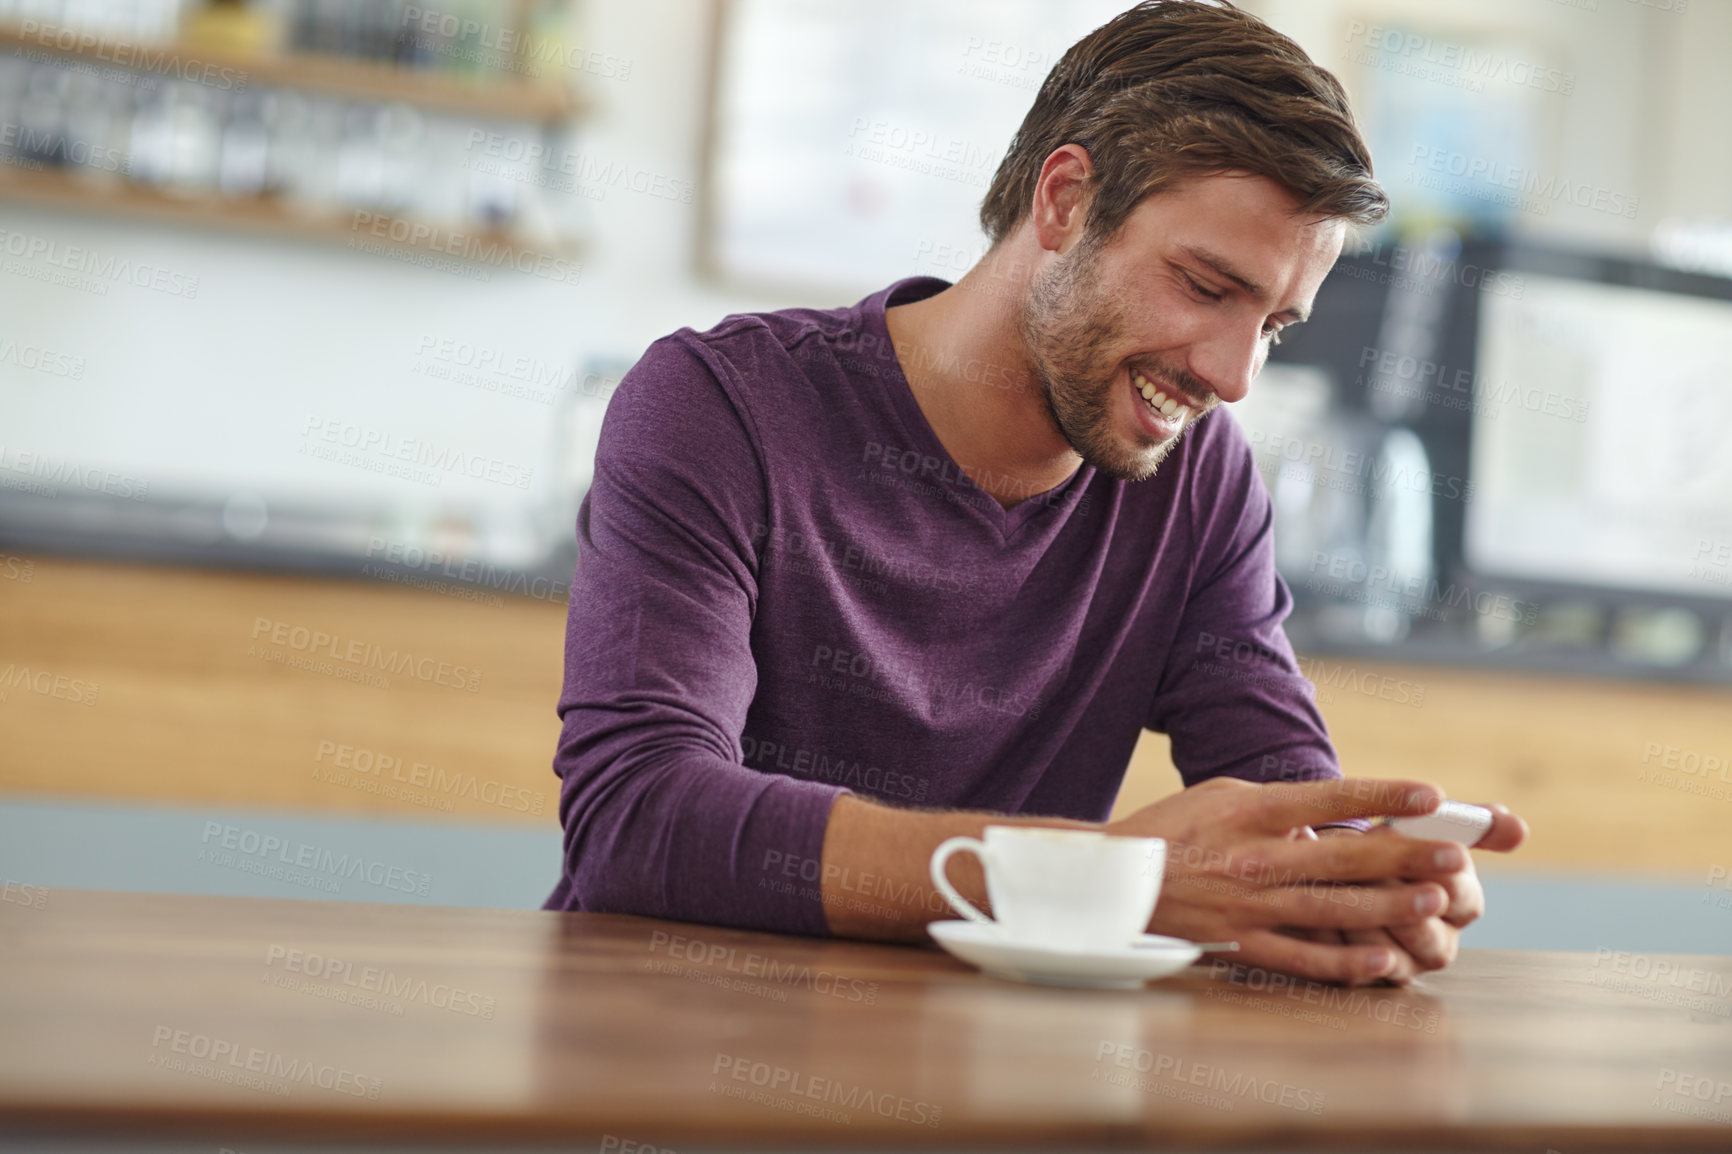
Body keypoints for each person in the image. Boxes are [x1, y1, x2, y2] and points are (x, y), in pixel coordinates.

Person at [542, 0, 1526, 985]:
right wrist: (1103, 877)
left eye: (1274, 326)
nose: (1233, 376)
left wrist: (1366, 883)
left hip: (982, 1073)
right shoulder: (721, 405)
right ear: (1063, 201)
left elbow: (1283, 795)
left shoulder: (1198, 478)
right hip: (669, 1058)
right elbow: (639, 815)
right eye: (1204, 286)